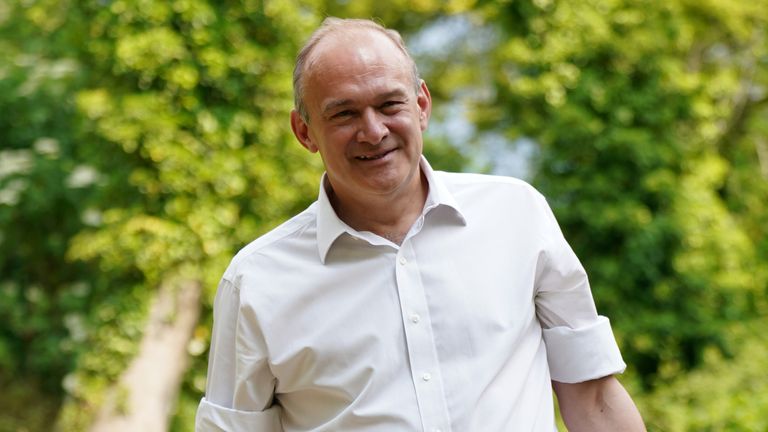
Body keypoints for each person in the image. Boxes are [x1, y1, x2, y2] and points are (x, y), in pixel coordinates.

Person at [195, 17, 646, 432]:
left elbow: (594, 397)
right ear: (305, 132)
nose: (373, 131)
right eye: (344, 114)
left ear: (422, 105)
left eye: (389, 104)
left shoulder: (517, 214)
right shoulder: (256, 280)